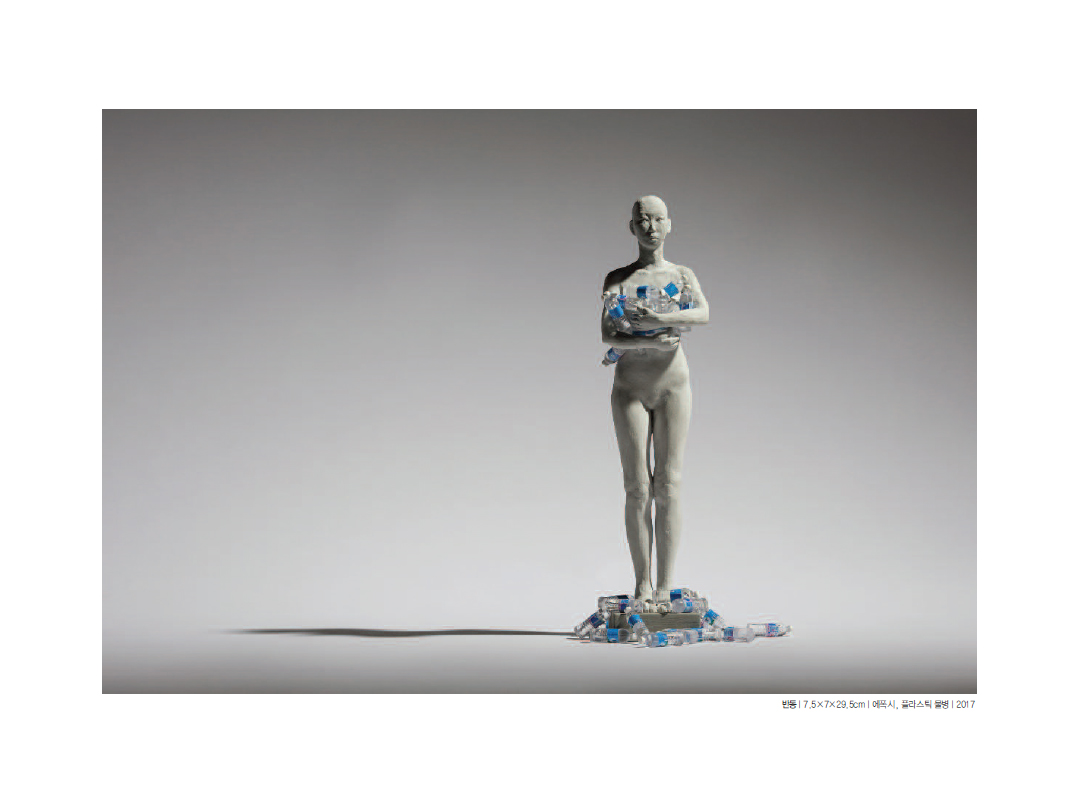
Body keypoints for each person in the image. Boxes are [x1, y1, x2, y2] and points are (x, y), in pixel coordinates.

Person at [601, 195, 710, 610]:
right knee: (636, 487)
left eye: (658, 219)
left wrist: (660, 320)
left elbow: (702, 313)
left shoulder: (681, 275)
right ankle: (642, 583)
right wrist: (644, 339)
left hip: (673, 385)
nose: (651, 227)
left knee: (669, 484)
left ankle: (665, 585)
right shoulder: (618, 279)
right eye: (643, 220)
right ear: (632, 227)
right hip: (630, 386)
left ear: (669, 224)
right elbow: (608, 334)